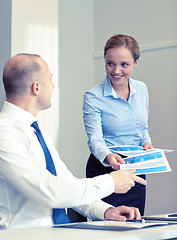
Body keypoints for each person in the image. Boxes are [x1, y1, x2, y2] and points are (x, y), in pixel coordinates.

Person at [0, 53, 147, 229]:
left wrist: (106, 211)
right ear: (36, 87)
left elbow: (66, 185)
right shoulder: (4, 133)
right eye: (50, 79)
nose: (54, 86)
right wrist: (110, 182)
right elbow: (50, 191)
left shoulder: (39, 134)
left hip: (56, 233)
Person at [83, 34, 153, 216]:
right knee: (109, 229)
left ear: (135, 63)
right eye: (110, 63)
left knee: (134, 225)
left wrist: (147, 143)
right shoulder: (93, 96)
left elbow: (142, 128)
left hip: (134, 170)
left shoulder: (142, 89)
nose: (116, 70)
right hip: (105, 170)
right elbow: (95, 139)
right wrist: (108, 157)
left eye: (124, 64)